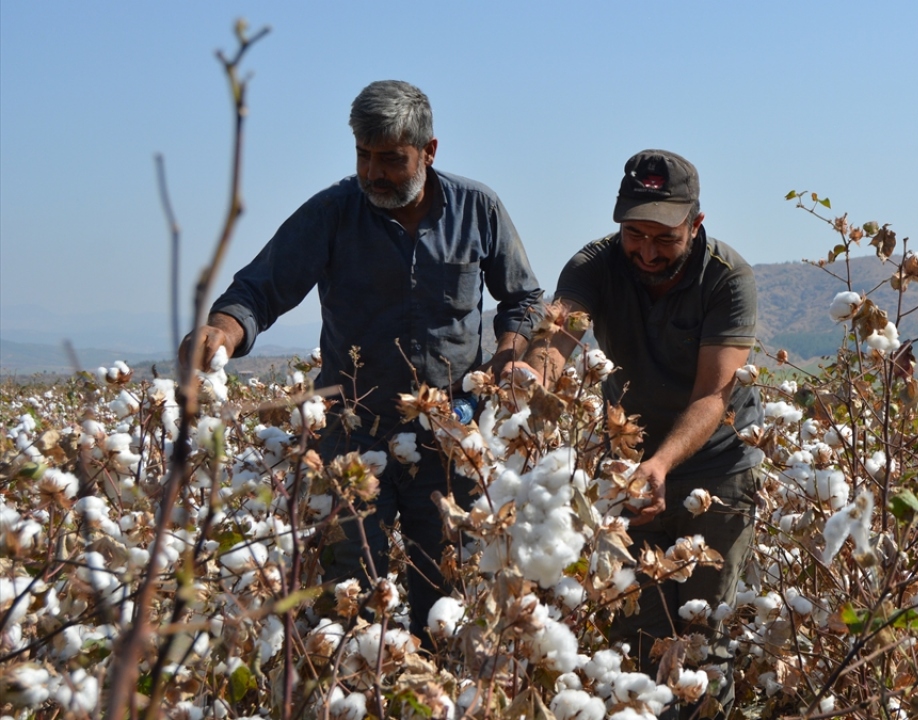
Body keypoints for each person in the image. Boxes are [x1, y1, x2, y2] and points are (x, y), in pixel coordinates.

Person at [181, 80, 543, 641]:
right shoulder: (331, 213)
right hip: (353, 435)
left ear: (429, 151)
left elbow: (521, 300)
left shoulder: (479, 209)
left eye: (392, 160)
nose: (374, 173)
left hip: (450, 436)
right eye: (363, 156)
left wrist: (508, 358)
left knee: (448, 596)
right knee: (345, 598)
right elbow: (259, 290)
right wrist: (221, 332)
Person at [524, 150, 762, 719]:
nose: (647, 252)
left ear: (695, 224)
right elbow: (559, 335)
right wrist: (529, 378)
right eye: (634, 234)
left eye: (665, 238)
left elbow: (713, 395)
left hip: (715, 471)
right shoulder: (594, 266)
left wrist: (660, 464)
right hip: (631, 471)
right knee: (637, 632)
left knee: (704, 640)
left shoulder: (728, 278)